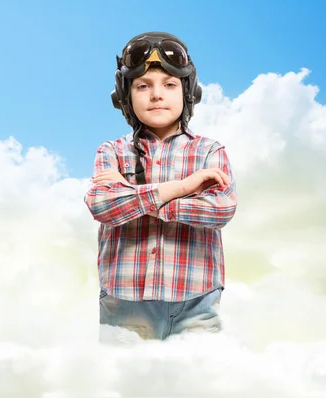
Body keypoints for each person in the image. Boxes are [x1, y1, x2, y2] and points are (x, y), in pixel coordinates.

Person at [84, 31, 238, 342]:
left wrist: (134, 196)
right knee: (124, 387)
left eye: (169, 84)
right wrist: (182, 187)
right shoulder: (110, 152)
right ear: (124, 97)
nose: (157, 94)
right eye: (143, 86)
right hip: (124, 302)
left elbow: (220, 210)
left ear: (189, 92)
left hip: (196, 302)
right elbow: (103, 206)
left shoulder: (210, 151)